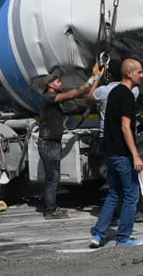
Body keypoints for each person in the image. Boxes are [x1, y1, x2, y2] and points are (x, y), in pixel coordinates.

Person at [88, 58, 143, 248]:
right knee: (131, 196)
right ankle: (123, 238)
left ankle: (97, 235)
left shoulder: (111, 93)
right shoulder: (128, 95)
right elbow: (125, 127)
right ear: (129, 73)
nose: (142, 75)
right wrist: (136, 155)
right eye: (139, 72)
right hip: (122, 154)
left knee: (114, 194)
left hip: (109, 152)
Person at [39, 71, 101, 219]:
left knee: (54, 178)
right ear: (50, 85)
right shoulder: (49, 97)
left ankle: (52, 208)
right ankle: (50, 211)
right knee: (52, 178)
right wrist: (93, 80)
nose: (61, 84)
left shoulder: (52, 98)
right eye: (58, 82)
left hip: (52, 143)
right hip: (48, 144)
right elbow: (74, 94)